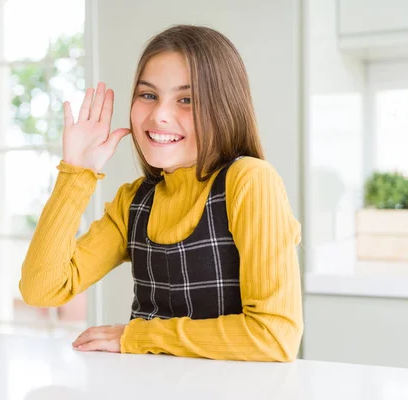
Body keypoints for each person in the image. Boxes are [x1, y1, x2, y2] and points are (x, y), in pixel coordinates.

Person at [19, 24, 303, 361]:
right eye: (148, 95)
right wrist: (77, 172)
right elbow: (42, 289)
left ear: (224, 106)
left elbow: (275, 335)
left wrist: (136, 335)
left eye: (187, 99)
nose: (159, 115)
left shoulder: (250, 181)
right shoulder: (134, 201)